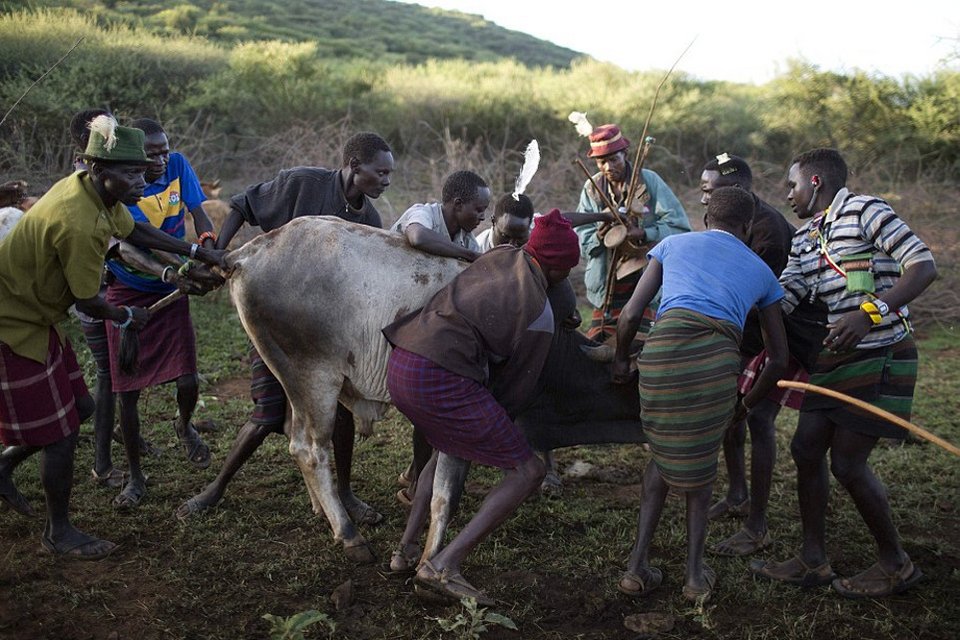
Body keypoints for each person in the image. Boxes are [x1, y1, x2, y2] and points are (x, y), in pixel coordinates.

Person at [0, 117, 226, 558]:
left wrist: (196, 250)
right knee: (61, 435)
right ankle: (58, 532)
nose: (143, 180)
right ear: (99, 169)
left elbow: (134, 230)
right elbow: (88, 301)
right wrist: (126, 315)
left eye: (143, 171)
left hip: (37, 318)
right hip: (12, 325)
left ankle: (5, 465)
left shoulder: (92, 191)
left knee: (82, 408)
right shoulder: (80, 222)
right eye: (132, 173)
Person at [177, 132, 395, 524]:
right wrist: (218, 257)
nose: (387, 181)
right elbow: (243, 204)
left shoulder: (368, 223)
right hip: (274, 320)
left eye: (389, 174)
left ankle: (345, 493)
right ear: (354, 166)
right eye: (380, 173)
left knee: (339, 413)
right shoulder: (304, 184)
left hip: (324, 336)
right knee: (267, 413)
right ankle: (216, 487)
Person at [751, 148, 937, 598]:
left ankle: (896, 564)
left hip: (882, 349)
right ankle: (812, 560)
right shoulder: (805, 237)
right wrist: (736, 308)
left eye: (792, 184)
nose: (787, 194)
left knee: (848, 464)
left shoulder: (866, 210)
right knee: (805, 448)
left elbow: (923, 265)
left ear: (815, 182)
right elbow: (786, 295)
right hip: (835, 357)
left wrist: (870, 313)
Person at [384, 209, 581, 605]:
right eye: (569, 269)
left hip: (403, 360)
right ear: (560, 270)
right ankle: (444, 565)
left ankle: (405, 550)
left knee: (446, 446)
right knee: (528, 471)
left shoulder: (500, 255)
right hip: (439, 375)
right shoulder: (540, 313)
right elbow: (512, 393)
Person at [611, 187, 788, 602]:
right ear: (748, 227)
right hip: (714, 367)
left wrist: (620, 360)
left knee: (661, 454)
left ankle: (636, 568)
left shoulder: (673, 245)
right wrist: (746, 405)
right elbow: (779, 359)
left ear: (707, 219)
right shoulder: (763, 272)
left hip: (661, 357)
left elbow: (631, 314)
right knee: (702, 465)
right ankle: (693, 576)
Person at [101, 118, 220, 508]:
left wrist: (207, 243)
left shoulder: (178, 166)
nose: (161, 159)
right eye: (152, 154)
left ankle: (184, 426)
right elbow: (139, 244)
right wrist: (184, 265)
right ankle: (135, 477)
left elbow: (198, 211)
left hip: (171, 286)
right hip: (128, 288)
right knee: (127, 391)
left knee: (187, 378)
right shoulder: (125, 186)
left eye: (165, 150)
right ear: (135, 159)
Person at [698, 154, 798, 556]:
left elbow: (763, 296)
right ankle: (738, 494)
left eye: (710, 191)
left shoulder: (768, 230)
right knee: (731, 411)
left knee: (758, 417)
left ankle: (757, 525)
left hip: (771, 339)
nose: (704, 200)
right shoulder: (726, 221)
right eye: (703, 191)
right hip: (740, 334)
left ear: (736, 191)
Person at [575, 124, 690, 343]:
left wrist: (644, 233)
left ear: (625, 154)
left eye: (614, 159)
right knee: (599, 344)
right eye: (601, 162)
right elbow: (582, 236)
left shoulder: (649, 181)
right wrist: (599, 237)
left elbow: (679, 228)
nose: (608, 167)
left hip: (646, 283)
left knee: (641, 344)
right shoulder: (591, 188)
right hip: (605, 287)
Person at [390, 170, 489, 262]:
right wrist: (469, 255)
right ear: (458, 204)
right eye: (479, 210)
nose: (483, 217)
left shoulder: (467, 240)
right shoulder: (423, 213)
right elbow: (418, 237)